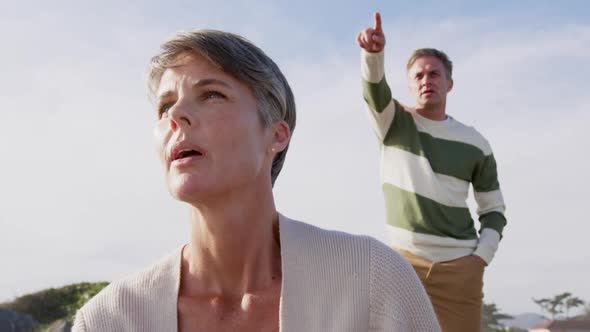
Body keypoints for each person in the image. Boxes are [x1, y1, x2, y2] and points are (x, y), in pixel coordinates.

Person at [72, 29, 440, 331]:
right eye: (165, 106)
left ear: (277, 135)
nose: (177, 114)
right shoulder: (108, 320)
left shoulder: (372, 281)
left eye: (211, 94)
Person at [356, 12, 507, 332]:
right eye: (419, 76)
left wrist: (479, 259)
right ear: (410, 84)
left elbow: (493, 209)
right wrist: (373, 54)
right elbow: (373, 88)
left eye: (434, 74)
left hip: (460, 271)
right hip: (403, 265)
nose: (427, 81)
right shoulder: (392, 122)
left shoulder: (475, 142)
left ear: (449, 83)